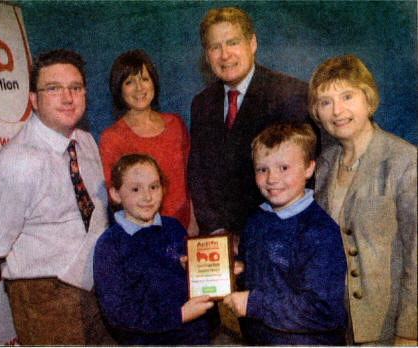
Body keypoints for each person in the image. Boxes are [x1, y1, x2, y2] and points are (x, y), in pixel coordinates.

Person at [0, 49, 113, 345]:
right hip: (45, 299)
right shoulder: (15, 162)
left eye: (75, 88)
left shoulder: (85, 142)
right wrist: (35, 264)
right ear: (33, 100)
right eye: (54, 88)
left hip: (97, 289)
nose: (68, 98)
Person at [308, 54, 417, 345]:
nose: (337, 110)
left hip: (388, 329)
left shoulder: (404, 161)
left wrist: (409, 332)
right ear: (317, 113)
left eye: (347, 96)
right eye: (325, 102)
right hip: (334, 327)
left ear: (368, 100)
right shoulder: (324, 165)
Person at [188, 6, 315, 242]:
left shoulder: (290, 94)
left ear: (252, 43)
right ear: (207, 56)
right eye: (215, 47)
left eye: (233, 42)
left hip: (278, 239)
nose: (225, 55)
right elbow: (198, 176)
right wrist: (218, 233)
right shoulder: (201, 104)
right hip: (220, 246)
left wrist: (252, 239)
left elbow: (306, 176)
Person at [223, 122, 347, 345]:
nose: (272, 179)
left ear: (309, 169)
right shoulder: (255, 220)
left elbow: (323, 311)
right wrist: (236, 271)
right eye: (262, 169)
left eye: (284, 168)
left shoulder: (319, 230)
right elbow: (262, 275)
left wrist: (253, 304)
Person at [93, 153, 213, 345]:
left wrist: (206, 272)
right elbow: (118, 313)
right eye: (135, 189)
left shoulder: (173, 228)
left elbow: (199, 287)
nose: (147, 196)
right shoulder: (109, 245)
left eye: (153, 187)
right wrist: (179, 315)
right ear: (115, 194)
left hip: (194, 337)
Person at [98, 49, 197, 234]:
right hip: (140, 235)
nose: (139, 88)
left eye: (144, 79)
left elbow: (192, 179)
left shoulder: (175, 124)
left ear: (153, 82)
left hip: (184, 231)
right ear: (119, 89)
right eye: (129, 82)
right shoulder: (111, 138)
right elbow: (114, 197)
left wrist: (193, 224)